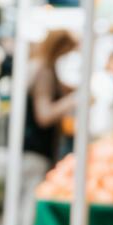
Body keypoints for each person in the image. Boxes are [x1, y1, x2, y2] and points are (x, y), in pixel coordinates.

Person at [25, 30, 79, 163]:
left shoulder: (43, 68)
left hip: (36, 149)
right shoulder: (44, 72)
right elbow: (44, 115)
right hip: (35, 151)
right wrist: (74, 99)